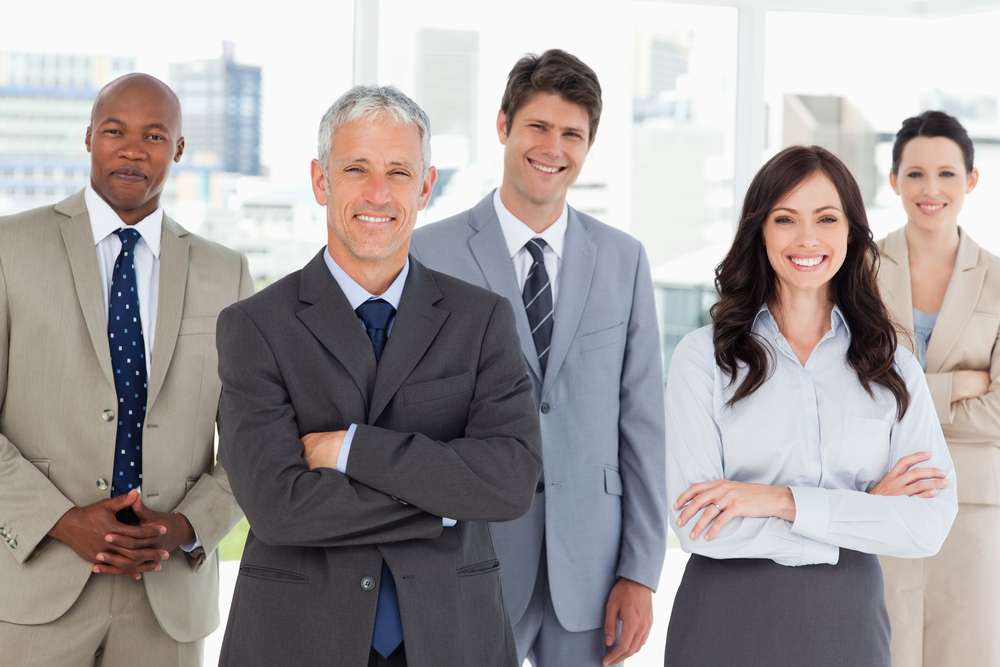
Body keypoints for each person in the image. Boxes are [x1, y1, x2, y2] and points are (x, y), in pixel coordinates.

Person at [215, 85, 542, 667]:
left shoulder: (482, 319)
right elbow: (276, 506)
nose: (377, 193)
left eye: (397, 172)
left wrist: (350, 451)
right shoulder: (254, 326)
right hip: (297, 638)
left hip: (453, 634)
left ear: (425, 186)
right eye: (356, 169)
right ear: (321, 181)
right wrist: (444, 503)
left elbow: (510, 481)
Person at [412, 49, 666, 667]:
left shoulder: (623, 259)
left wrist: (641, 570)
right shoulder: (428, 253)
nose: (554, 147)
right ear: (503, 126)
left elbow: (643, 424)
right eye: (538, 127)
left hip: (591, 569)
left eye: (572, 134)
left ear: (588, 145)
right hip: (469, 555)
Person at [662, 145, 958, 667]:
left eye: (826, 218)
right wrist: (865, 507)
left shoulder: (892, 366)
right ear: (760, 232)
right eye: (785, 219)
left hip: (848, 623)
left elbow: (926, 527)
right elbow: (698, 524)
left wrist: (777, 500)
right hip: (723, 622)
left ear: (851, 232)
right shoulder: (703, 359)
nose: (807, 239)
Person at [0, 74, 251, 666]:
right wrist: (60, 521)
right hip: (36, 589)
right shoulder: (9, 250)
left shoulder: (226, 274)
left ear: (179, 150)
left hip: (168, 601)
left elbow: (251, 435)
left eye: (155, 135)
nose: (133, 149)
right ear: (88, 137)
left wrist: (188, 526)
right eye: (115, 131)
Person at [876, 110, 1000, 667]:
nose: (931, 190)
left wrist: (906, 397)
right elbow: (846, 393)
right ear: (894, 181)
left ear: (971, 181)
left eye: (947, 174)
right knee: (881, 650)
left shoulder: (998, 279)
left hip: (974, 510)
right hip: (879, 493)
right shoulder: (856, 270)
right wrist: (955, 386)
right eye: (916, 174)